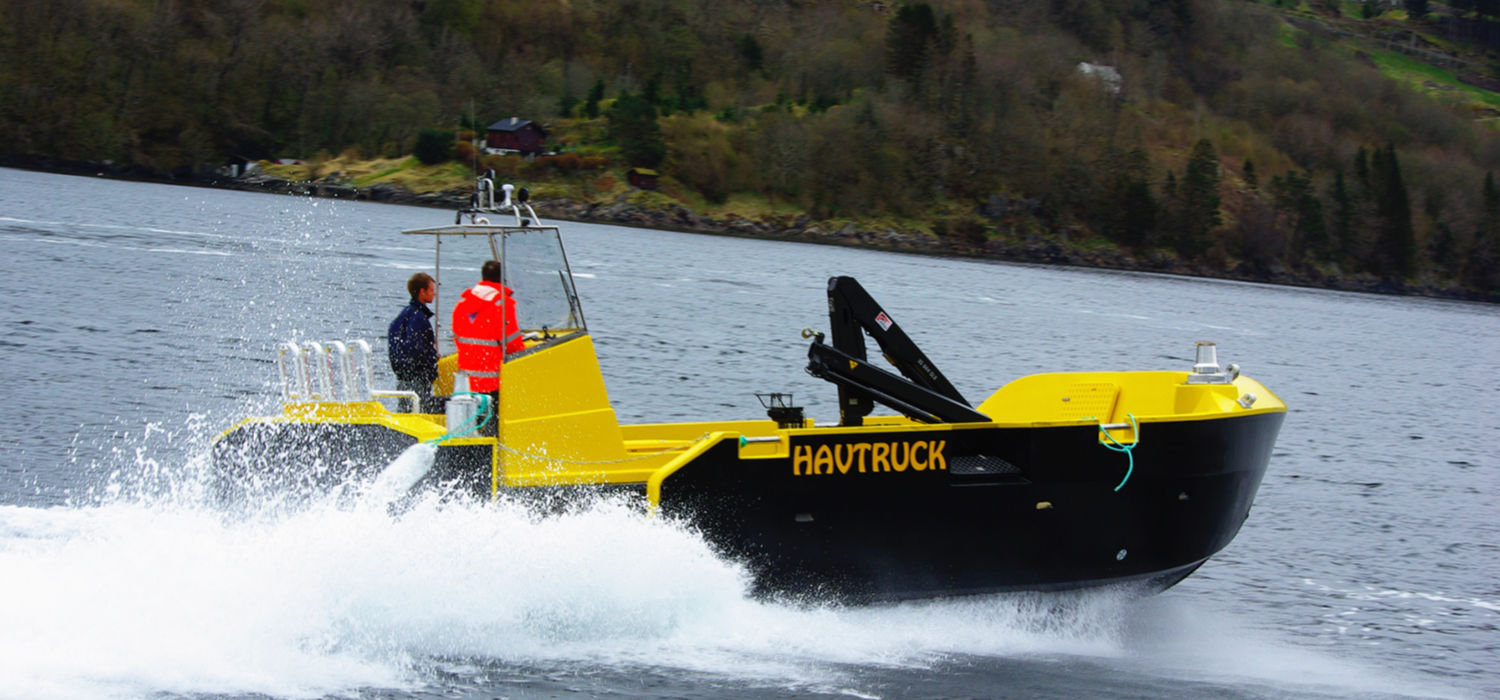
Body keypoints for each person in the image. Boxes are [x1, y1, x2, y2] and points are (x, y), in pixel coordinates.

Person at [451, 260, 525, 435]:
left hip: (467, 380)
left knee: (469, 425)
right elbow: (513, 344)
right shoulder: (502, 305)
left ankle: (468, 458)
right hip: (492, 380)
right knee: (493, 427)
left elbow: (458, 337)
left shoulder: (463, 304)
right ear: (502, 278)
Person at [388, 272, 439, 412]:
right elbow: (416, 349)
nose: (434, 294)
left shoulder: (404, 315)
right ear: (422, 292)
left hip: (403, 378)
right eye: (432, 290)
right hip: (417, 380)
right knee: (417, 412)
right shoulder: (418, 318)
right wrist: (431, 361)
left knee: (405, 414)